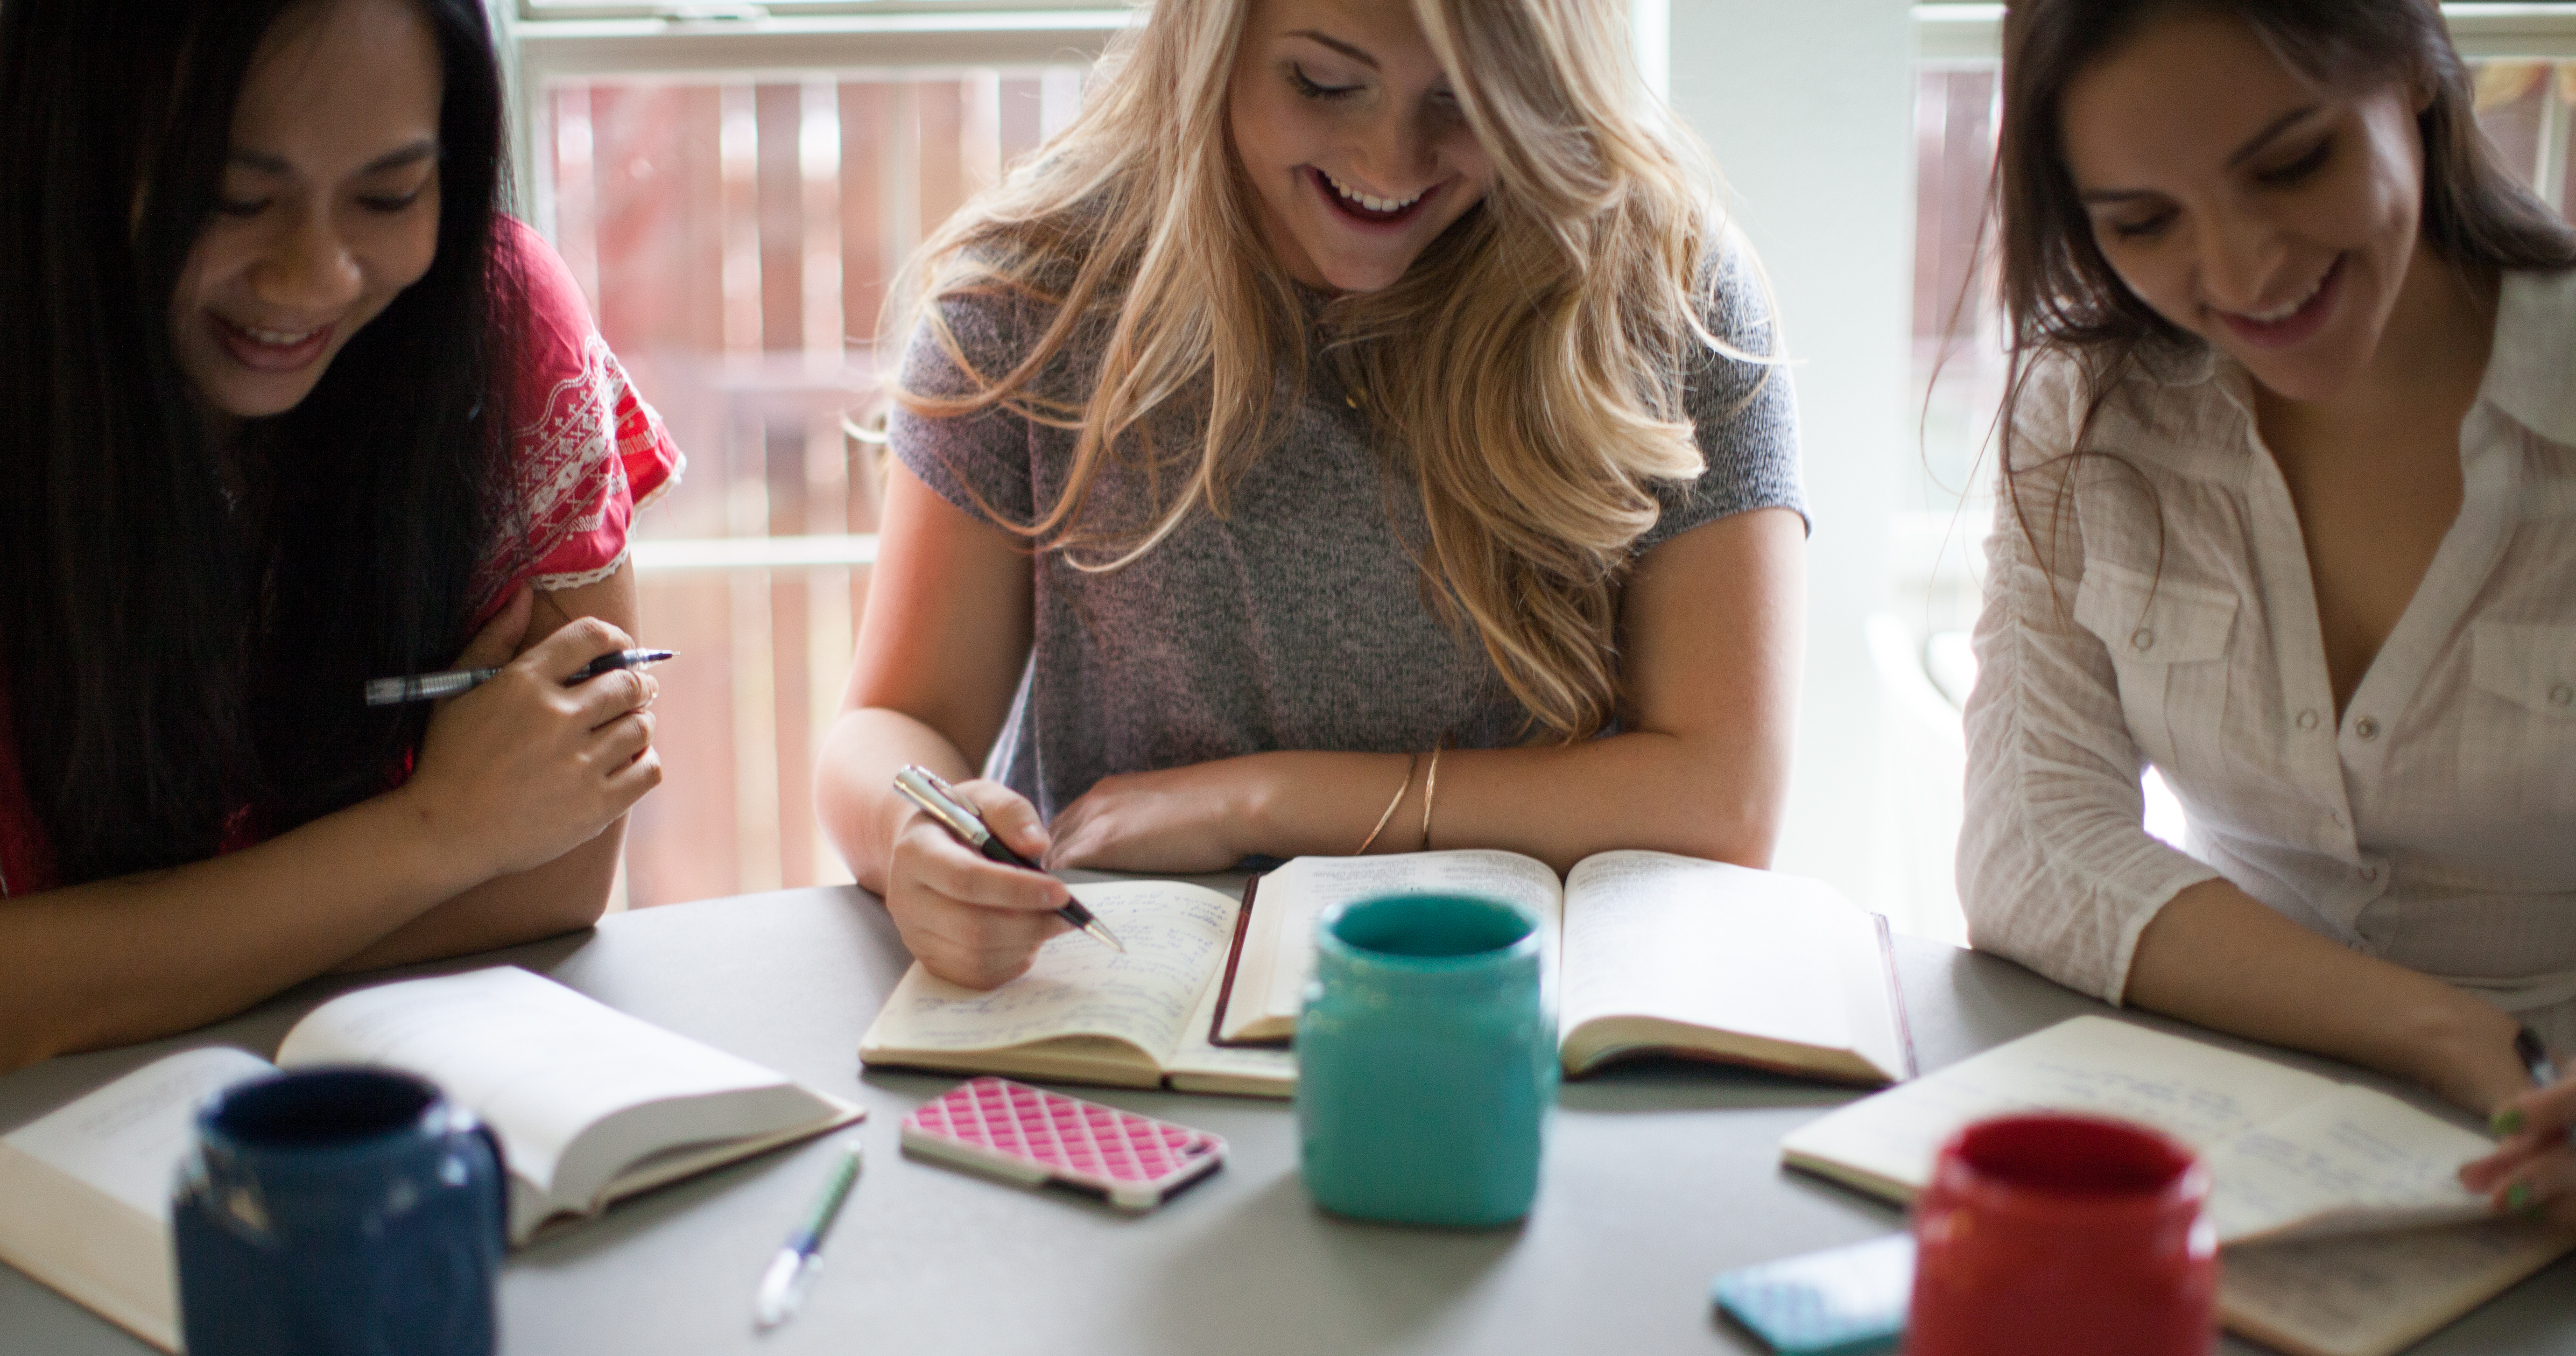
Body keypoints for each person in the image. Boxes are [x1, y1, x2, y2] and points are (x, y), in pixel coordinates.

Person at [816, 0, 1809, 991]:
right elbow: (890, 727)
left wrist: (1265, 803)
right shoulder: (1034, 294)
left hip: (1503, 1024)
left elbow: (1724, 796)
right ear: (1211, 41)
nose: (1390, 162)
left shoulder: (1669, 292)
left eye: (1465, 102)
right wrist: (914, 836)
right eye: (1325, 85)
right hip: (1113, 1013)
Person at [0, 0, 679, 1091]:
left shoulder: (493, 319)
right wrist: (439, 831)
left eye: (390, 195)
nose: (314, 279)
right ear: (68, 153)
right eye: (234, 199)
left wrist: (96, 969)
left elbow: (558, 867)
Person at [1958, 0, 2576, 1213]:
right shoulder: (2091, 410)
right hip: (2232, 1131)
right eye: (2143, 222)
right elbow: (2028, 848)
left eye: (2293, 165)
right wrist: (2453, 1040)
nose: (2243, 273)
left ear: (2413, 70)